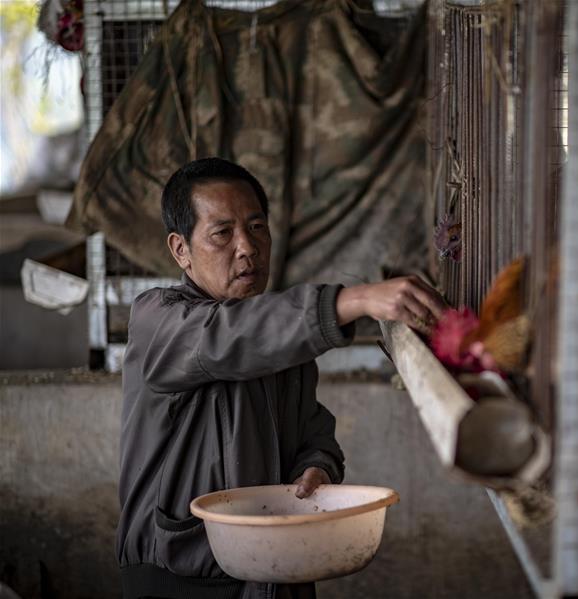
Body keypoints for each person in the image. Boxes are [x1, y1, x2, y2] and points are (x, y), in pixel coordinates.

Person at [116, 157, 446, 599]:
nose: (247, 247)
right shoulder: (159, 319)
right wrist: (356, 299)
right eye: (222, 234)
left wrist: (317, 467)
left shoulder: (281, 338)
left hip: (275, 566)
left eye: (256, 227)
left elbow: (313, 430)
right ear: (180, 250)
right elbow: (231, 337)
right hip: (183, 575)